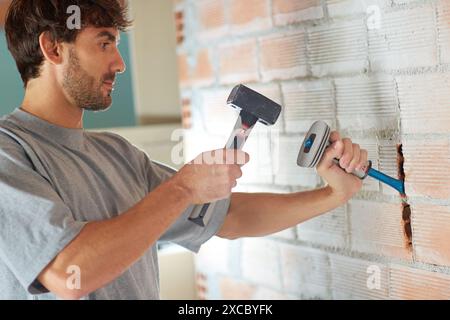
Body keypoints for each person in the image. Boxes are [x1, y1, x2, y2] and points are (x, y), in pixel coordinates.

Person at [0, 0, 368, 300]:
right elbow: (70, 276)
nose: (120, 63)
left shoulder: (117, 154)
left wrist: (332, 194)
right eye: (104, 43)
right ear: (52, 47)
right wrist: (183, 188)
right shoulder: (10, 152)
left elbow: (230, 217)